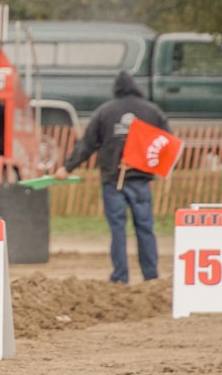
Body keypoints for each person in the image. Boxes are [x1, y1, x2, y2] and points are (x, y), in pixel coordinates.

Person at [54, 71, 171, 284]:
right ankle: (151, 276)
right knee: (145, 227)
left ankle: (120, 277)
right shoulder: (152, 111)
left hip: (112, 179)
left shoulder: (105, 112)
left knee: (118, 229)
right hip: (141, 179)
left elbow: (87, 144)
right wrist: (159, 167)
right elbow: (166, 142)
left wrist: (68, 167)